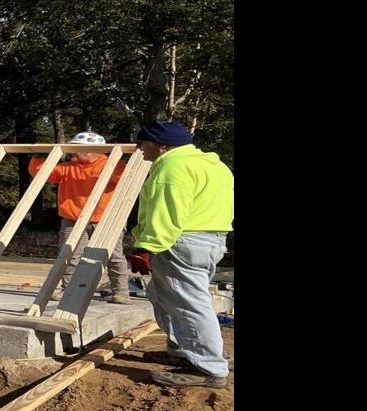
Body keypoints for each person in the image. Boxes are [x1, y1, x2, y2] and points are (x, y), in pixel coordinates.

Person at [130, 120, 234, 389]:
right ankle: (184, 351)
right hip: (209, 240)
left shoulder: (171, 166)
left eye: (144, 143)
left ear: (161, 146)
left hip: (180, 242)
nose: (140, 149)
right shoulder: (214, 166)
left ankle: (208, 369)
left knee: (189, 305)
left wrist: (147, 246)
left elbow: (167, 212)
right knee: (162, 295)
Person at [27, 131, 131, 303]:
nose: (74, 152)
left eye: (78, 148)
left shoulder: (112, 164)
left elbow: (125, 180)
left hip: (107, 218)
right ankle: (68, 289)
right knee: (69, 255)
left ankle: (121, 291)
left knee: (113, 256)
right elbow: (41, 173)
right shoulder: (68, 168)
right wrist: (38, 156)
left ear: (93, 151)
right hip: (73, 218)